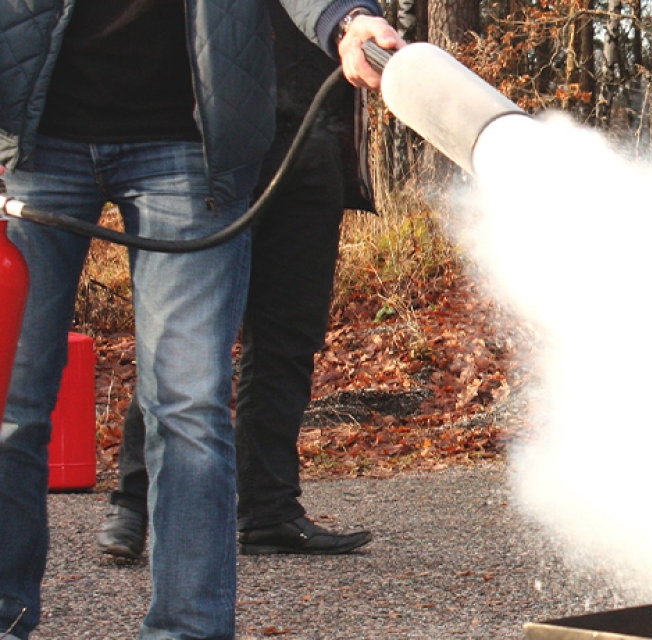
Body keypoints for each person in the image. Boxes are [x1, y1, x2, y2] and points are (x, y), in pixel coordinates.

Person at [0, 0, 401, 637]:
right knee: (10, 407)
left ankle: (188, 630)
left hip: (191, 147)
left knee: (187, 406)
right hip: (30, 140)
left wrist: (348, 20)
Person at [92, 0, 379, 561]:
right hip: (212, 149)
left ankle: (270, 511)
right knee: (185, 333)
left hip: (312, 142)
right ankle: (132, 503)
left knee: (288, 339)